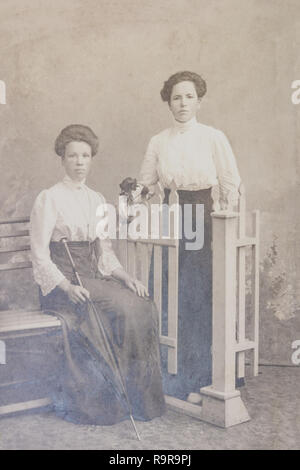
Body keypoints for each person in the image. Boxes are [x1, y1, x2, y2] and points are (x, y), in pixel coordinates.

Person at [30, 124, 165, 425]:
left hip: (92, 279)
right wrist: (66, 287)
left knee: (140, 304)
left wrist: (125, 278)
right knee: (122, 308)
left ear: (92, 159)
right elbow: (39, 254)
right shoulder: (49, 199)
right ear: (62, 159)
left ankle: (138, 400)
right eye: (73, 155)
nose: (79, 162)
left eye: (85, 156)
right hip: (62, 284)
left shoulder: (96, 199)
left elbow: (104, 253)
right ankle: (108, 403)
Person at [139, 71, 241, 401]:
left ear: (199, 100)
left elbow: (229, 182)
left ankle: (204, 375)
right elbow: (148, 184)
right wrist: (136, 196)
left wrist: (224, 217)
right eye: (176, 97)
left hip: (203, 217)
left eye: (189, 96)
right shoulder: (159, 141)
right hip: (174, 214)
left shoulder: (213, 137)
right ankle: (178, 373)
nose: (182, 103)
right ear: (168, 102)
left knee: (197, 294)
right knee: (170, 292)